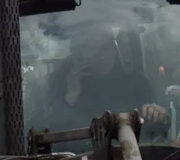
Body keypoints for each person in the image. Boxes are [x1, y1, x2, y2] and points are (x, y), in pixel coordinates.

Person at [32, 30, 167, 136]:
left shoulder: (137, 83)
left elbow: (161, 124)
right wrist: (70, 96)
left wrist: (156, 113)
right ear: (78, 54)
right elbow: (39, 131)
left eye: (105, 48)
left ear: (114, 50)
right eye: (91, 50)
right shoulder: (54, 84)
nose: (100, 56)